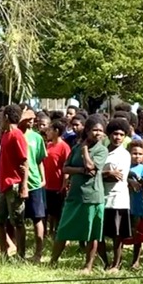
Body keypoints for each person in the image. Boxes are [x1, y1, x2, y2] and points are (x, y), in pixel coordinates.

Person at [49, 116, 108, 273]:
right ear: (87, 131)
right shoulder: (75, 148)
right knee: (63, 229)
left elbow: (92, 167)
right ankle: (53, 261)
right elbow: (66, 168)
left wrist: (85, 151)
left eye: (101, 131)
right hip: (74, 195)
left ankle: (88, 266)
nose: (98, 133)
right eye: (94, 130)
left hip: (92, 196)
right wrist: (81, 170)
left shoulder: (102, 150)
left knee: (92, 233)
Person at [0, 104, 30, 260]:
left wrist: (24, 186)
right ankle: (4, 251)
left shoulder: (17, 135)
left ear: (6, 117)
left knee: (18, 221)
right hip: (4, 185)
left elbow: (25, 162)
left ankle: (21, 254)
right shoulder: (6, 134)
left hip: (14, 184)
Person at [100, 118, 133, 272]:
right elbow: (95, 173)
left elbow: (118, 176)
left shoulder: (124, 155)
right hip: (101, 196)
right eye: (115, 134)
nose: (118, 137)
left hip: (117, 198)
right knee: (99, 232)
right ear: (109, 134)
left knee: (117, 234)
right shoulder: (102, 151)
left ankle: (116, 263)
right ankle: (104, 262)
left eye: (121, 135)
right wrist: (107, 173)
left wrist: (102, 174)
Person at [22, 108, 49, 262]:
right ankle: (20, 251)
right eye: (28, 118)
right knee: (18, 220)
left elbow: (40, 161)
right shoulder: (15, 135)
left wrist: (42, 178)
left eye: (34, 119)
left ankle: (38, 253)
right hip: (18, 183)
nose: (32, 122)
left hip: (34, 182)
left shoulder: (37, 138)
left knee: (38, 218)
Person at [126, 140, 143, 270]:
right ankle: (117, 260)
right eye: (134, 153)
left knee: (138, 235)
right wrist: (128, 178)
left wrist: (138, 178)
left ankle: (135, 261)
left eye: (140, 154)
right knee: (123, 234)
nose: (137, 156)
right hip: (124, 205)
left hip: (138, 206)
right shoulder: (124, 166)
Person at [42, 120, 69, 239]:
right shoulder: (48, 145)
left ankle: (58, 233)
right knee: (46, 211)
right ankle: (46, 232)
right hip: (46, 184)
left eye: (49, 130)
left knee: (57, 212)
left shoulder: (64, 147)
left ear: (56, 131)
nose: (47, 132)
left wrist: (64, 184)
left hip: (57, 185)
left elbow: (66, 167)